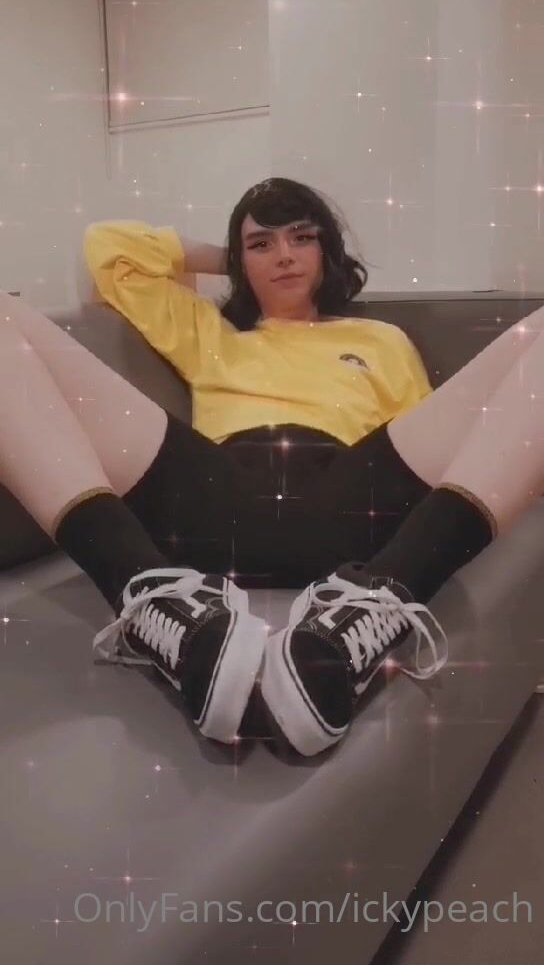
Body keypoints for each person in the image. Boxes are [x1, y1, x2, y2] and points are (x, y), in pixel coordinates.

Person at [1, 178, 540, 758]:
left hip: (348, 502)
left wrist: (260, 248)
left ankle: (383, 599)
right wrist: (232, 259)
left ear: (326, 250)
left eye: (302, 238)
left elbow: (419, 447)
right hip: (215, 503)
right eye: (262, 244)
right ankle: (150, 600)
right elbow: (110, 248)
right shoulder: (213, 335)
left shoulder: (382, 339)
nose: (284, 255)